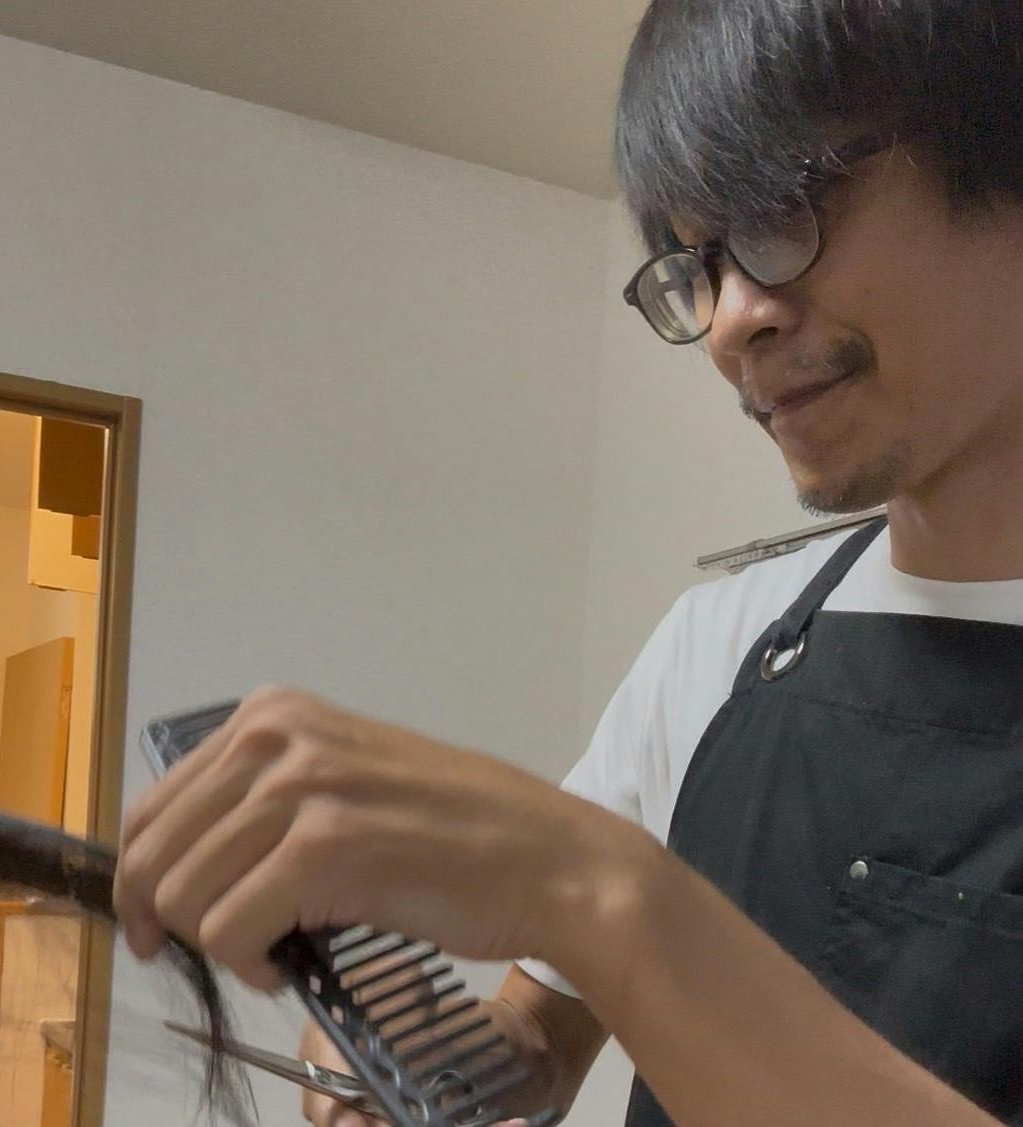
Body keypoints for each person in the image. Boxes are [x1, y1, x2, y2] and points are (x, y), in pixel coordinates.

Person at [113, 0, 1023, 1123]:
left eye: (783, 213)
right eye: (700, 265)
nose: (731, 321)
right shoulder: (722, 645)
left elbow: (603, 908)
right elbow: (542, 1034)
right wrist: (435, 1055)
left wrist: (595, 886)